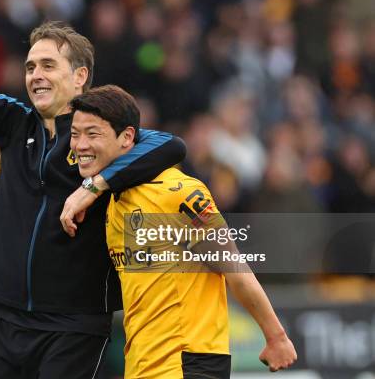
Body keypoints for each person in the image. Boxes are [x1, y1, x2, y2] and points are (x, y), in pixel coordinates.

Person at [0, 0, 186, 378]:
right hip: (7, 317)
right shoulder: (14, 123)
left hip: (74, 324)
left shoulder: (104, 134)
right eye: (31, 66)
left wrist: (95, 185)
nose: (36, 75)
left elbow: (170, 146)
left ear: (80, 76)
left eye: (49, 65)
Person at [68, 85, 297, 378]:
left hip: (188, 362)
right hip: (142, 366)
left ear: (126, 137)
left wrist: (275, 336)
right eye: (75, 134)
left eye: (92, 133)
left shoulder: (178, 192)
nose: (80, 144)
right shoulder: (113, 201)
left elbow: (234, 269)